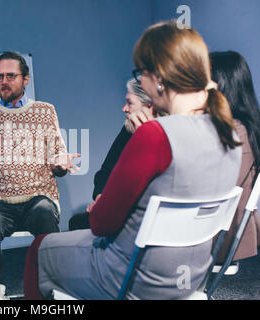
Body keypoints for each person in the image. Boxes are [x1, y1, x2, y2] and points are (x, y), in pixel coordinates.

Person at [24, 21, 242, 300]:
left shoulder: (154, 135)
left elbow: (101, 223)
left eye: (141, 73)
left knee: (39, 249)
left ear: (159, 77)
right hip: (191, 277)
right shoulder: (228, 133)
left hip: (134, 277)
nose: (141, 82)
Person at [0, 51, 79, 292]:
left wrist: (60, 164)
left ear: (25, 79)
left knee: (45, 214)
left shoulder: (44, 111)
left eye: (11, 76)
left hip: (37, 196)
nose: (4, 81)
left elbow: (57, 153)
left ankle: (53, 286)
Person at [69, 78, 162, 230]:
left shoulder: (166, 135)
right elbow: (105, 172)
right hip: (122, 208)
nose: (124, 109)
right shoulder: (128, 130)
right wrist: (101, 198)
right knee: (78, 222)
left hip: (144, 215)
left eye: (130, 103)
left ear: (149, 106)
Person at [210, 51, 260, 263]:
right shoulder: (247, 128)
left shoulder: (231, 134)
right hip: (228, 231)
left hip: (218, 236)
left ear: (221, 86)